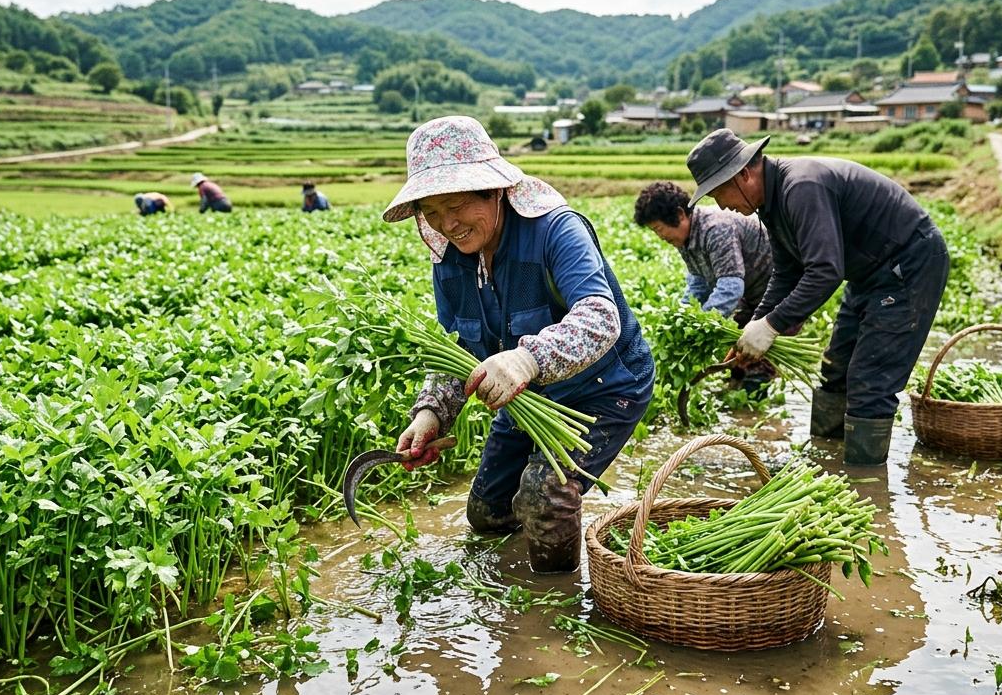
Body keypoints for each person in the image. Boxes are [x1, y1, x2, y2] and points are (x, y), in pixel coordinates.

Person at [383, 115, 654, 574]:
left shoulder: (555, 229)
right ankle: (510, 583)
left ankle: (556, 595)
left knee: (544, 497)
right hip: (527, 399)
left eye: (455, 205)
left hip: (605, 388)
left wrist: (528, 359)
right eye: (432, 213)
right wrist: (431, 413)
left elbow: (599, 317)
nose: (448, 224)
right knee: (487, 514)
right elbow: (457, 346)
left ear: (493, 190)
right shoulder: (450, 261)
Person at [685, 128, 949, 465]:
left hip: (908, 265)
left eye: (719, 193)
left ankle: (863, 480)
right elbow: (786, 273)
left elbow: (825, 270)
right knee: (835, 371)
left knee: (870, 382)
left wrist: (772, 326)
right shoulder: (770, 204)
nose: (722, 205)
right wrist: (755, 325)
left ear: (743, 175)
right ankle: (826, 464)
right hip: (868, 274)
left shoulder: (801, 187)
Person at [633, 180, 776, 391]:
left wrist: (701, 324)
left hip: (778, 291)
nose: (660, 236)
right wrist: (682, 318)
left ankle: (753, 397)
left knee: (759, 355)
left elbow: (731, 286)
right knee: (738, 353)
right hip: (750, 293)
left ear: (680, 214)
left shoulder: (716, 228)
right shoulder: (684, 238)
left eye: (659, 229)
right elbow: (698, 282)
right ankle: (737, 391)